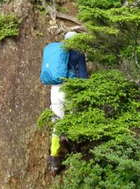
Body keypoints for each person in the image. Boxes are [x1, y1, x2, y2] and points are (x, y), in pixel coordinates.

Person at [49, 31, 88, 175]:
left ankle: (54, 161)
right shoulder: (77, 53)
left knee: (57, 123)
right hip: (68, 90)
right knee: (72, 119)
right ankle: (73, 153)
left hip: (54, 89)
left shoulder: (58, 52)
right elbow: (83, 77)